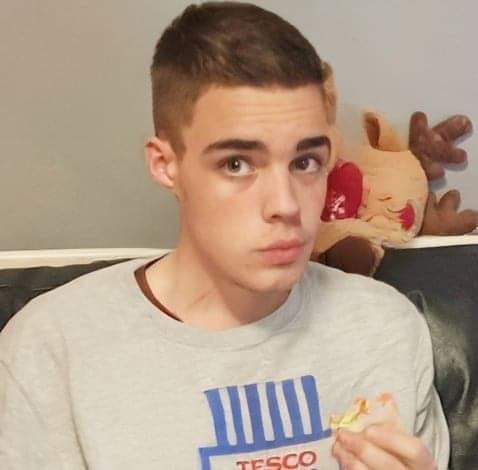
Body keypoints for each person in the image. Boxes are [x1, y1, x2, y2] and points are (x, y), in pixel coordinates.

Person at [0, 2, 449, 469]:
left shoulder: (386, 330)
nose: (286, 205)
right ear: (166, 165)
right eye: (236, 164)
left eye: (305, 162)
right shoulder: (52, 350)